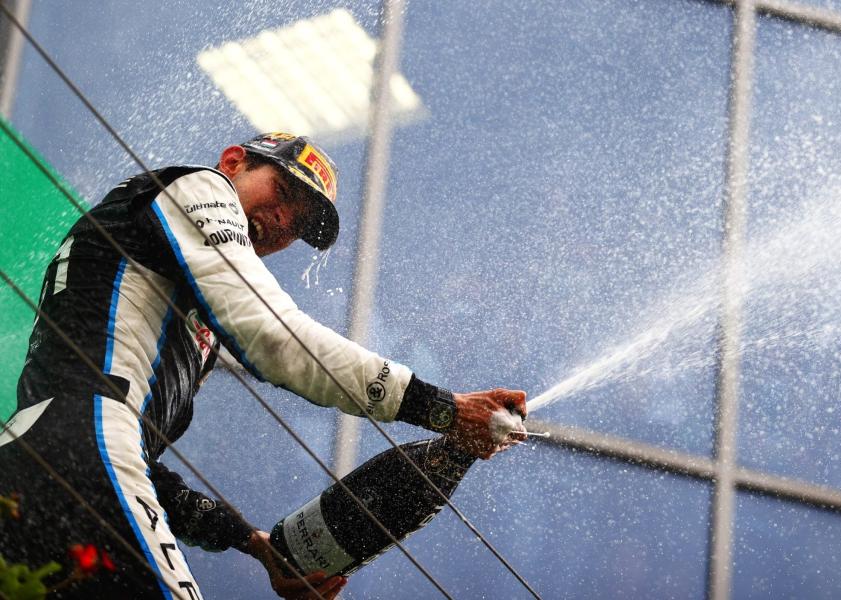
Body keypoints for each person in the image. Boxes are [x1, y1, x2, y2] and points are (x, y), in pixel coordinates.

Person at [0, 132, 527, 599]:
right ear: (233, 161)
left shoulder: (175, 313)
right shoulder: (198, 188)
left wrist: (249, 542)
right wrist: (443, 409)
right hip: (80, 446)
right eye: (284, 194)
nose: (282, 221)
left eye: (299, 224)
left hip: (34, 461)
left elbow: (135, 462)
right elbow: (274, 336)